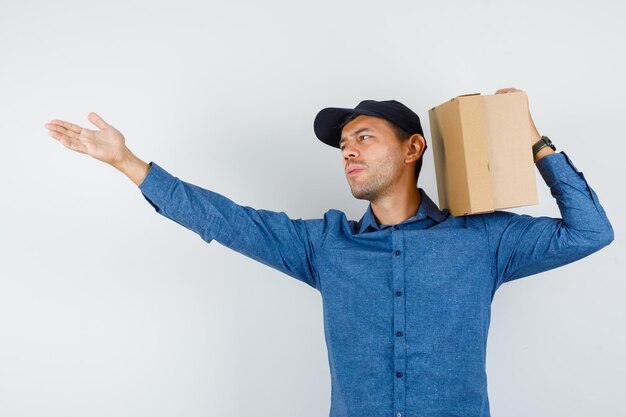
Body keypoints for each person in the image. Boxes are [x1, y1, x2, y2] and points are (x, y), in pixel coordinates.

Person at [44, 88, 614, 417]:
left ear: (413, 147)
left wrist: (532, 141)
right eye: (343, 146)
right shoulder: (324, 244)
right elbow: (226, 220)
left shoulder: (483, 239)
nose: (348, 152)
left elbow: (591, 231)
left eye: (363, 137)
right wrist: (127, 162)